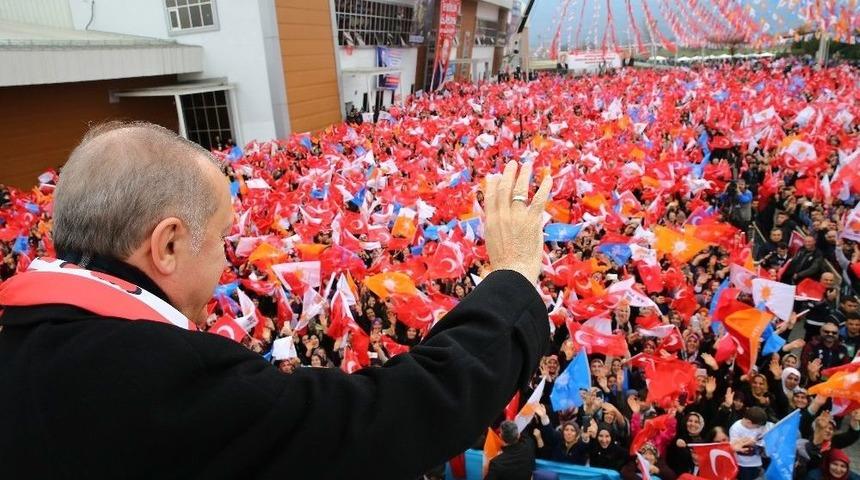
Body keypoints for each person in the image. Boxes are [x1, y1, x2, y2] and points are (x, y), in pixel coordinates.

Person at [0, 122, 554, 479]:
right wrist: (511, 276)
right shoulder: (164, 379)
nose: (227, 260)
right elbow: (385, 420)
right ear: (167, 244)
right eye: (220, 238)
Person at [728, 406, 769, 480]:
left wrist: (755, 444)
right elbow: (734, 447)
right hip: (742, 464)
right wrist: (747, 444)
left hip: (757, 462)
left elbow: (764, 442)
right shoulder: (735, 428)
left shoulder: (760, 426)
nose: (759, 428)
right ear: (749, 422)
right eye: (757, 426)